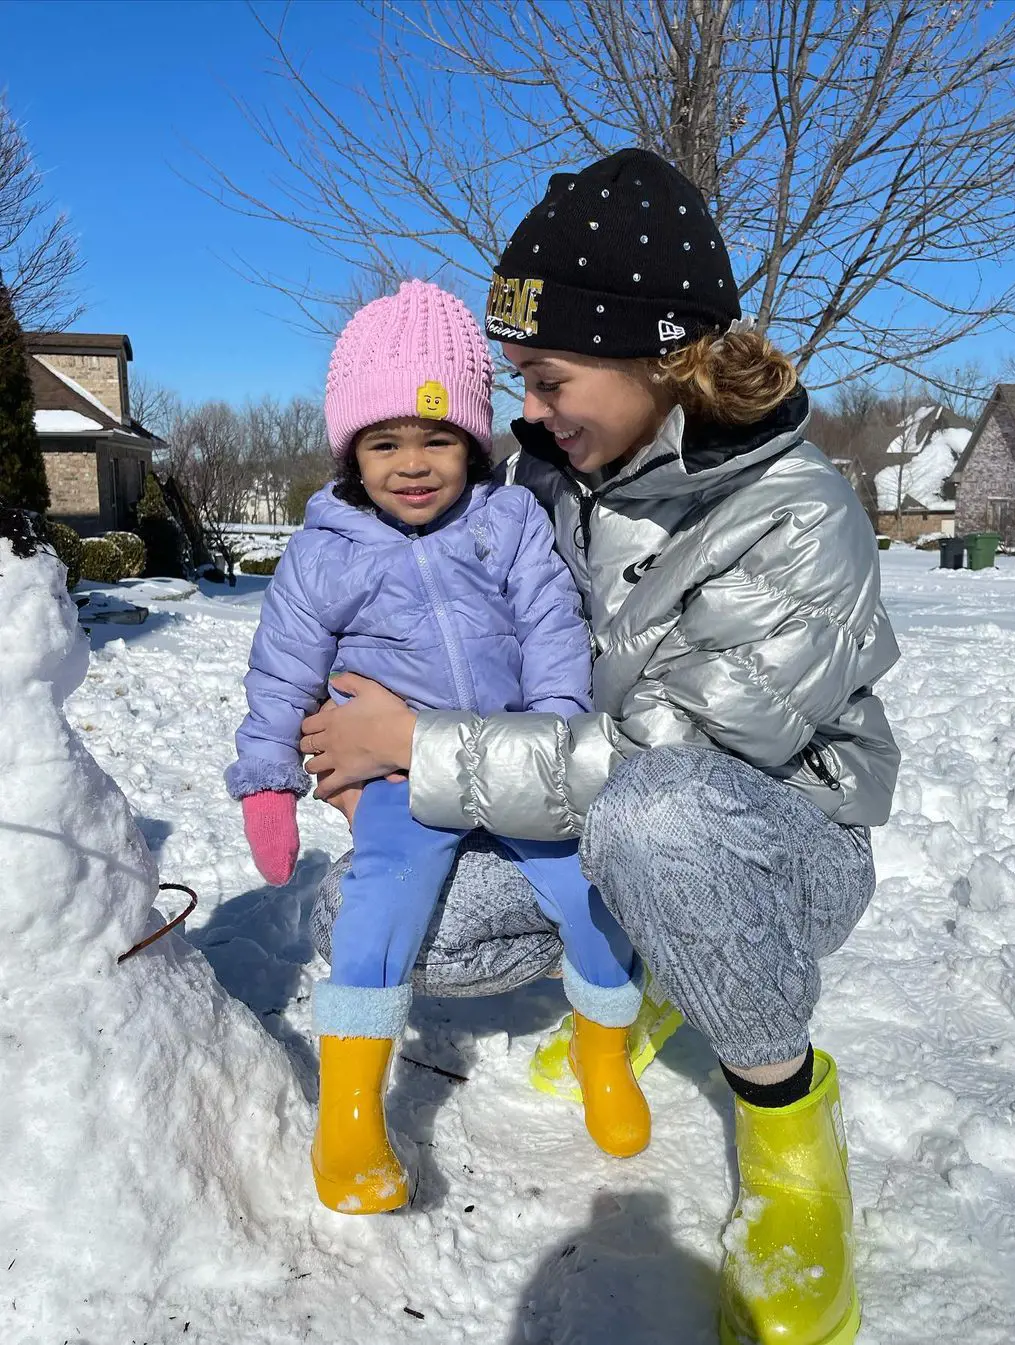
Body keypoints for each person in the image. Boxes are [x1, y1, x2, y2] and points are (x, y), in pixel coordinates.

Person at [301, 152, 901, 1344]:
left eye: (547, 375)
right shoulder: (544, 478)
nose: (526, 407)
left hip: (777, 851)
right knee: (366, 916)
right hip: (607, 827)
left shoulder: (796, 515)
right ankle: (656, 971)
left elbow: (647, 763)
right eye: (517, 379)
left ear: (659, 357)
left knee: (660, 819)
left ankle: (791, 1142)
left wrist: (416, 742)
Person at [225, 280, 651, 1217]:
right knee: (378, 904)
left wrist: (554, 730)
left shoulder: (505, 523)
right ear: (351, 451)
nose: (413, 465)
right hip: (399, 775)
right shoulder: (324, 549)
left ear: (473, 440)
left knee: (591, 887)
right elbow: (281, 666)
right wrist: (267, 778)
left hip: (509, 758)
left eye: (437, 439)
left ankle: (604, 1050)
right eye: (385, 443)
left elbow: (550, 625)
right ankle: (348, 1113)